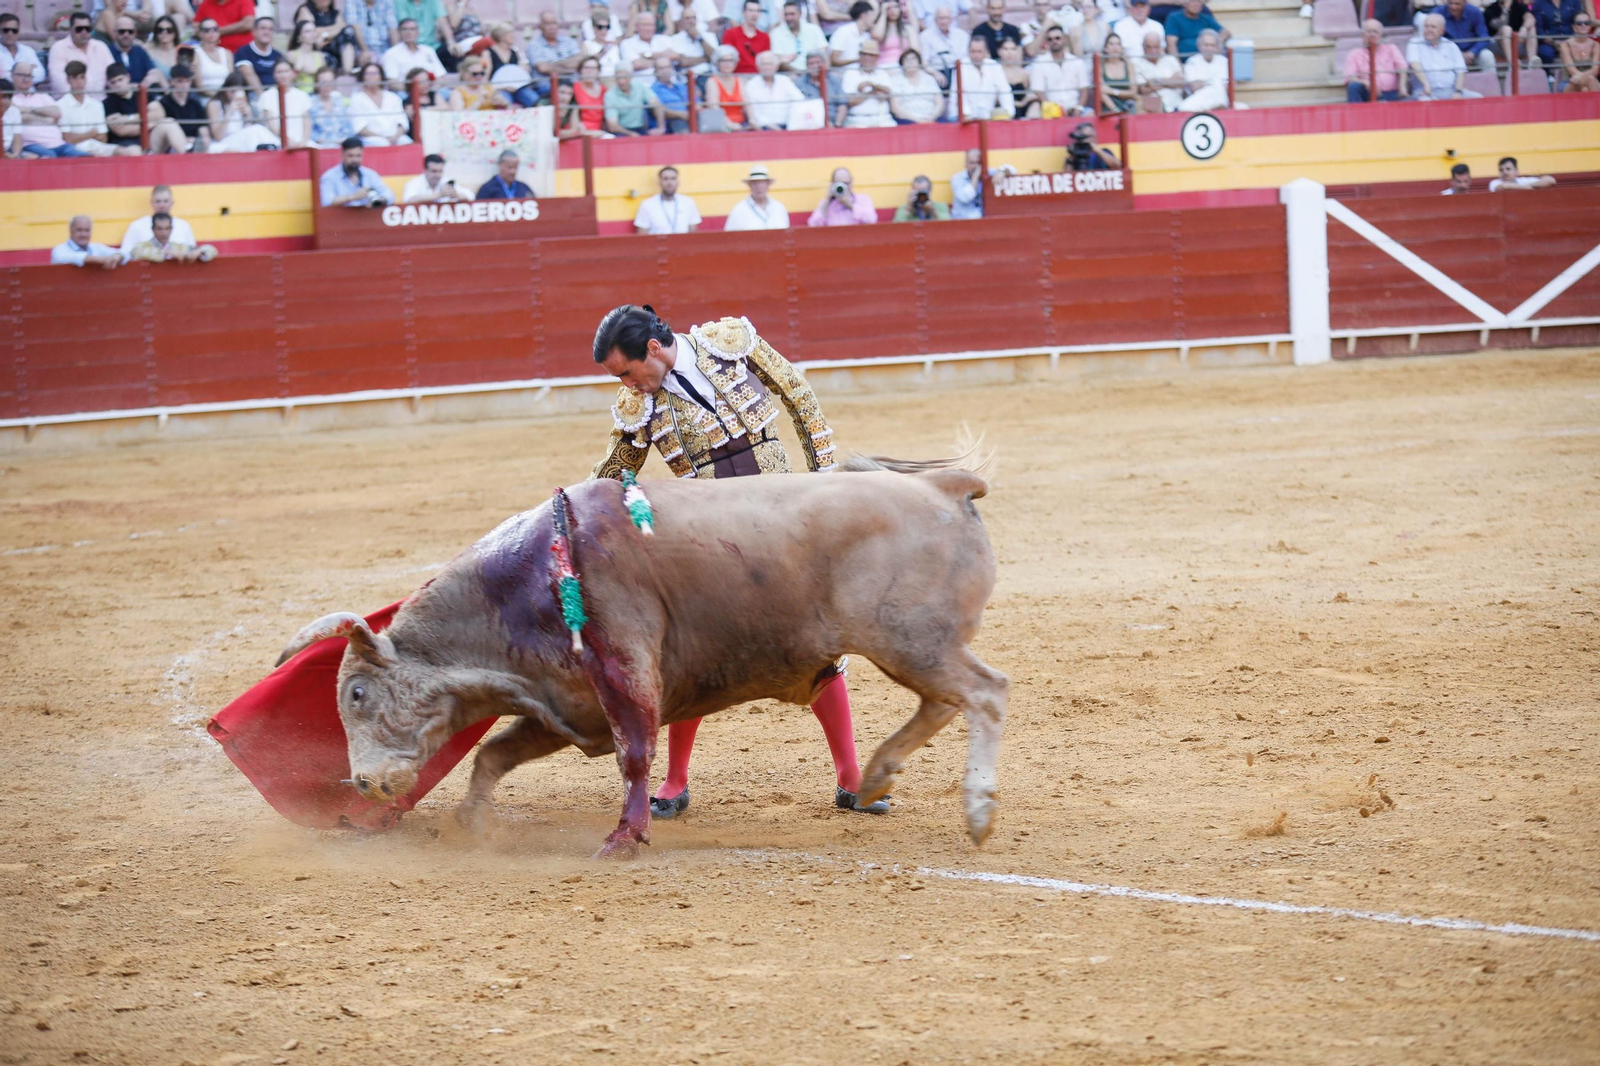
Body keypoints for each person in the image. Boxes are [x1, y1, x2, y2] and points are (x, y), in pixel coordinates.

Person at [587, 304, 888, 819]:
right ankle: (675, 781)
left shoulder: (729, 343)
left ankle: (851, 778)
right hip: (714, 542)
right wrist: (576, 516)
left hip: (783, 522)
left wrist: (823, 481)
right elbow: (614, 472)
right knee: (695, 656)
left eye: (628, 372)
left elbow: (799, 396)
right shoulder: (640, 406)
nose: (628, 385)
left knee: (816, 643)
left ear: (653, 349)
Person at [57, 59, 133, 157]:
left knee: (126, 152)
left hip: (97, 147)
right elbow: (67, 139)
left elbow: (103, 138)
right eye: (75, 78)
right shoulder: (60, 105)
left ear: (86, 78)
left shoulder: (96, 104)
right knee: (90, 155)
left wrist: (79, 136)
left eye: (82, 77)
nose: (79, 82)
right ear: (68, 80)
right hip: (74, 149)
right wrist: (91, 133)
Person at [12, 62, 86, 157]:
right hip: (30, 144)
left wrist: (30, 110)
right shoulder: (9, 98)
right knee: (50, 157)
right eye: (21, 75)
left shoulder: (42, 96)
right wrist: (47, 119)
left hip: (58, 144)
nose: (26, 79)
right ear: (12, 76)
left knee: (84, 157)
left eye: (29, 76)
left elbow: (57, 112)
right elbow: (20, 117)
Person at [206, 69, 282, 152]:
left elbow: (248, 132)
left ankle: (276, 146)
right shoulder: (214, 104)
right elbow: (218, 137)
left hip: (241, 141)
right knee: (256, 129)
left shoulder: (243, 103)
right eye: (232, 91)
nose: (232, 94)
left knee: (256, 130)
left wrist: (247, 116)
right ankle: (279, 146)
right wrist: (229, 112)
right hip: (224, 142)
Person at [1408, 13, 1477, 99]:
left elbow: (1461, 71)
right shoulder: (1415, 43)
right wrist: (1426, 85)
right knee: (1425, 101)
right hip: (1425, 91)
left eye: (1433, 27)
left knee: (1477, 98)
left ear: (1442, 31)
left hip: (1451, 90)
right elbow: (1414, 65)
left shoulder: (1451, 45)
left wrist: (1458, 91)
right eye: (1426, 26)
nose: (1429, 29)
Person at [48, 11, 114, 96]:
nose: (84, 32)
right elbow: (60, 83)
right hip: (70, 101)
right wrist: (84, 99)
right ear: (70, 29)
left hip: (101, 100)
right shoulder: (58, 48)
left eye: (87, 29)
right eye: (79, 29)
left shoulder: (101, 46)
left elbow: (113, 73)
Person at [1030, 24, 1090, 116]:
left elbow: (1084, 89)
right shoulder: (1039, 63)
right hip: (1050, 110)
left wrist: (1078, 108)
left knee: (1090, 114)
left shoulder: (1077, 62)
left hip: (1075, 107)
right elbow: (1039, 91)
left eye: (1057, 38)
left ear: (1064, 39)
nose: (1054, 41)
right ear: (1046, 42)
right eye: (1050, 39)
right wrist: (1053, 109)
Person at [1343, 18, 1409, 101]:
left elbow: (1402, 68)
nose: (1372, 35)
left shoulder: (1391, 48)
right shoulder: (1354, 54)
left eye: (1375, 32)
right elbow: (1350, 78)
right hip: (1368, 94)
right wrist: (1366, 82)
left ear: (1380, 35)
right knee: (1353, 87)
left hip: (1392, 93)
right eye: (1369, 31)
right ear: (1363, 35)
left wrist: (1402, 87)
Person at [949, 34, 1013, 118]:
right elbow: (958, 96)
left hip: (988, 117)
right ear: (968, 51)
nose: (976, 55)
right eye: (973, 51)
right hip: (962, 117)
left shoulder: (994, 66)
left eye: (979, 52)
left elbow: (1005, 91)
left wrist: (1009, 113)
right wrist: (967, 115)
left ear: (986, 52)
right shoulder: (960, 66)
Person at [148, 63, 208, 150]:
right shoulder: (163, 104)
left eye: (187, 81)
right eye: (180, 81)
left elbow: (203, 129)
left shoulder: (195, 104)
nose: (184, 85)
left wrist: (203, 140)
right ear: (172, 82)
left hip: (193, 144)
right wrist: (185, 141)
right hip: (169, 146)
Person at [320, 135, 393, 205]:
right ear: (342, 155)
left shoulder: (370, 174)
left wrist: (379, 201)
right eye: (350, 156)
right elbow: (326, 202)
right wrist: (353, 197)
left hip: (367, 213)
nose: (355, 160)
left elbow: (389, 195)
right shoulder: (329, 177)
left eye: (358, 156)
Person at [1428, 0, 1498, 73]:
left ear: (1464, 3)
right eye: (1450, 3)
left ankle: (1490, 80)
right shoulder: (1439, 12)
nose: (1453, 7)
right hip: (1449, 51)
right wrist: (1458, 53)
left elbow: (1484, 36)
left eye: (1457, 4)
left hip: (1473, 50)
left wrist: (1472, 52)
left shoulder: (1474, 12)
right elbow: (1435, 36)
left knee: (1487, 56)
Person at [349, 61, 409, 143]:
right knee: (381, 143)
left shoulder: (393, 97)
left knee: (406, 142)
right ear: (362, 77)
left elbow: (403, 122)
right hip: (371, 139)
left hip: (395, 137)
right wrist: (383, 138)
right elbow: (359, 127)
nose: (371, 77)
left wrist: (395, 137)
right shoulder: (357, 99)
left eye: (375, 73)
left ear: (381, 76)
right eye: (368, 74)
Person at [258, 59, 313, 148]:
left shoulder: (302, 95)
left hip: (301, 142)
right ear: (274, 75)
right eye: (279, 72)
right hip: (276, 142)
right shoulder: (267, 96)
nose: (283, 75)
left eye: (286, 71)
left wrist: (303, 142)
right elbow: (271, 124)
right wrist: (287, 141)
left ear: (292, 73)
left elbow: (306, 122)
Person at [744, 49, 806, 127]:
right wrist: (769, 126)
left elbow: (800, 100)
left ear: (777, 67)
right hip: (763, 127)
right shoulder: (751, 84)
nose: (767, 67)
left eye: (770, 64)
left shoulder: (785, 80)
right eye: (763, 64)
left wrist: (793, 122)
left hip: (789, 125)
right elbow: (752, 112)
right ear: (757, 67)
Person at [841, 38, 896, 126]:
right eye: (864, 54)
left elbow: (889, 94)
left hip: (883, 118)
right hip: (857, 119)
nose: (867, 58)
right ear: (860, 56)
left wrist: (871, 86)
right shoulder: (850, 73)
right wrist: (874, 91)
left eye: (871, 55)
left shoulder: (882, 73)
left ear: (877, 57)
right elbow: (851, 101)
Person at [527, 10, 579, 100]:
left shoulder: (568, 41)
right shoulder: (534, 45)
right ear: (540, 27)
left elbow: (579, 61)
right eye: (547, 24)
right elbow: (543, 68)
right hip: (547, 87)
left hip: (573, 84)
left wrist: (552, 66)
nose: (552, 27)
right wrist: (569, 67)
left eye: (554, 23)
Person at [634, 165, 702, 234]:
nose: (669, 183)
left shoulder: (688, 202)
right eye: (665, 179)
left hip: (683, 241)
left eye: (673, 178)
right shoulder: (647, 204)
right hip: (658, 241)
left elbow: (693, 231)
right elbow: (642, 233)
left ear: (678, 182)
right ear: (660, 182)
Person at [128, 211, 218, 262]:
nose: (164, 233)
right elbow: (135, 253)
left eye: (167, 228)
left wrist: (200, 252)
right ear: (153, 229)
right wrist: (166, 253)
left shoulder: (179, 247)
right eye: (159, 229)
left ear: (171, 229)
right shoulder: (142, 246)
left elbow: (212, 250)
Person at [724, 163, 791, 230]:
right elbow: (729, 234)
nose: (759, 187)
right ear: (749, 185)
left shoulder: (779, 208)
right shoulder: (739, 210)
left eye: (762, 183)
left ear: (768, 184)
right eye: (755, 183)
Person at [605, 63, 664, 135]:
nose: (621, 81)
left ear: (631, 77)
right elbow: (613, 126)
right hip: (622, 132)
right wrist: (630, 133)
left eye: (624, 77)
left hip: (641, 129)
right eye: (618, 78)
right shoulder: (610, 95)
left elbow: (656, 103)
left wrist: (661, 128)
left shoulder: (639, 85)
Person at [1178, 27, 1229, 109]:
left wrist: (1205, 83)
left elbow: (1226, 86)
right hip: (1200, 98)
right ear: (1199, 46)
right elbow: (1194, 87)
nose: (1209, 48)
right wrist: (1214, 82)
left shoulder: (1224, 61)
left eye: (1212, 45)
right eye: (1206, 45)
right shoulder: (1192, 62)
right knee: (1184, 107)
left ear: (1217, 47)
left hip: (1219, 96)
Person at [1134, 27, 1183, 110]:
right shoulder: (1136, 64)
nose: (1153, 51)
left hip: (1177, 104)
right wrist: (1170, 81)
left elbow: (1181, 82)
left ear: (1161, 46)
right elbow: (1144, 90)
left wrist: (1156, 81)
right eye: (1149, 47)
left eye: (1156, 47)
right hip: (1153, 107)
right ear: (1143, 47)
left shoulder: (1170, 59)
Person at [808, 166, 877, 225]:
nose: (842, 187)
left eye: (845, 183)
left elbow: (871, 220)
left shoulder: (863, 200)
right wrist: (827, 200)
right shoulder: (825, 203)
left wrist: (849, 205)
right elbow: (813, 224)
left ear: (851, 183)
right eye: (839, 183)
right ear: (833, 184)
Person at [771, 0, 828, 69]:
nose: (789, 18)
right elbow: (779, 61)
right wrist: (801, 73)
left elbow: (824, 54)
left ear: (800, 14)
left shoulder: (814, 29)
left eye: (792, 14)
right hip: (789, 73)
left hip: (815, 71)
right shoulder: (776, 33)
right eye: (786, 14)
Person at [891, 48, 944, 121]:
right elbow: (895, 107)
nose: (910, 62)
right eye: (906, 59)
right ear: (902, 64)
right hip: (907, 120)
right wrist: (917, 120)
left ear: (919, 62)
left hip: (932, 118)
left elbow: (940, 103)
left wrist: (932, 117)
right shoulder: (896, 80)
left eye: (913, 59)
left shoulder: (929, 79)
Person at [921, 5, 969, 86]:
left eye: (946, 18)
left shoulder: (962, 35)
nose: (944, 21)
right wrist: (935, 73)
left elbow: (965, 58)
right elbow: (924, 62)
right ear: (935, 20)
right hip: (936, 71)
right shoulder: (925, 36)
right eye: (941, 18)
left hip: (958, 70)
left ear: (952, 19)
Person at [307, 65, 355, 145]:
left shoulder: (339, 101)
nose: (327, 85)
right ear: (317, 83)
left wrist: (344, 141)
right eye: (323, 82)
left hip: (341, 144)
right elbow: (309, 131)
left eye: (330, 81)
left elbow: (348, 127)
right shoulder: (310, 102)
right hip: (319, 145)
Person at [107, 16, 160, 87]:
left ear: (135, 33)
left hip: (140, 92)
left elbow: (152, 71)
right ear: (115, 32)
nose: (126, 35)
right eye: (121, 31)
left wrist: (143, 84)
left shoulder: (139, 51)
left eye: (130, 32)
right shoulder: (107, 52)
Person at [666, 10, 720, 78]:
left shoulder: (709, 35)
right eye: (687, 18)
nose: (691, 21)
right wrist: (707, 59)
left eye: (693, 18)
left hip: (708, 75)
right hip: (686, 77)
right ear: (681, 21)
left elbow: (716, 57)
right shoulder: (674, 39)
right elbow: (683, 62)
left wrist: (699, 38)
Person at [234, 16, 284, 89]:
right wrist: (263, 95)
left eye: (270, 29)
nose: (267, 32)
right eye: (263, 28)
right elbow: (249, 76)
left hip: (276, 92)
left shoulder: (277, 55)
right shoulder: (244, 52)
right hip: (254, 93)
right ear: (254, 31)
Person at [52, 216, 120, 268]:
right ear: (71, 231)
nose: (83, 234)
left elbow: (122, 253)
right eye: (79, 230)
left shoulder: (97, 247)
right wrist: (98, 259)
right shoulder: (60, 249)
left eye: (87, 230)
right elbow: (72, 258)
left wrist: (116, 257)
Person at [723, 0, 772, 71]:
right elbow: (726, 58)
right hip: (737, 75)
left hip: (758, 75)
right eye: (751, 10)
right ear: (744, 12)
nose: (754, 14)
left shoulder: (765, 37)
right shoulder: (730, 34)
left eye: (757, 11)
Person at [705, 44, 746, 128]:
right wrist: (730, 124)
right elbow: (714, 107)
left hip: (742, 124)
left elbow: (747, 104)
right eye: (723, 61)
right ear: (717, 63)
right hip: (721, 126)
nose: (727, 64)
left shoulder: (740, 80)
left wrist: (753, 120)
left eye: (731, 61)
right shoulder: (712, 81)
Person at [190, 18, 236, 91]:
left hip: (227, 95)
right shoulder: (195, 52)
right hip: (205, 95)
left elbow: (232, 81)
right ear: (200, 33)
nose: (211, 32)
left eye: (215, 29)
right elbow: (199, 86)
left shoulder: (227, 53)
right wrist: (216, 96)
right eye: (206, 30)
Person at [649, 54, 691, 132]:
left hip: (691, 119)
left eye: (668, 67)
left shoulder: (682, 87)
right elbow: (660, 110)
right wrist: (681, 114)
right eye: (661, 68)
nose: (666, 70)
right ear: (655, 71)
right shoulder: (652, 90)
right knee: (679, 123)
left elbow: (697, 102)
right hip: (673, 123)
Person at [405, 151, 471, 201]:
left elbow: (470, 195)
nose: (438, 175)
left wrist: (457, 195)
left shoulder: (446, 181)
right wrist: (439, 195)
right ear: (425, 170)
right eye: (434, 171)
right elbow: (409, 200)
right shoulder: (415, 182)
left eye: (440, 171)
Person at [829, 0, 877, 69]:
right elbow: (834, 60)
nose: (874, 19)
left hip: (862, 73)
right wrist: (858, 60)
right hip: (843, 72)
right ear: (864, 16)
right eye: (872, 15)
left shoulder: (867, 36)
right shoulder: (843, 32)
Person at [1112, 0, 1162, 65]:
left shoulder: (1157, 26)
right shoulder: (1120, 25)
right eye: (1136, 7)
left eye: (1142, 7)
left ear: (1148, 9)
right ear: (1131, 9)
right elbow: (1119, 52)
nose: (1139, 10)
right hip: (1129, 64)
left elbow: (1161, 50)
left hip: (1153, 64)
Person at [997, 37, 1036, 116]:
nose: (1009, 53)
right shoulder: (995, 72)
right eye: (1005, 49)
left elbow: (1031, 94)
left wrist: (1025, 101)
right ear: (999, 51)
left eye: (1013, 49)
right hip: (1002, 110)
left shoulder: (1024, 73)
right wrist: (1020, 103)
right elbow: (995, 99)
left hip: (1023, 110)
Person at [1559, 13, 1598, 90]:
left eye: (1587, 23)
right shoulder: (1565, 45)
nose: (1583, 25)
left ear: (1590, 26)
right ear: (1574, 27)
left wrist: (1581, 77)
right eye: (1579, 23)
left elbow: (1595, 70)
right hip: (1569, 81)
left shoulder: (1596, 45)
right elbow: (1571, 70)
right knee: (1590, 79)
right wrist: (1585, 77)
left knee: (1585, 89)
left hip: (1589, 82)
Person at [875, 0, 921, 65]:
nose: (892, 10)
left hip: (904, 66)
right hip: (883, 65)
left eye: (895, 7)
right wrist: (883, 14)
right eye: (888, 8)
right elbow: (877, 36)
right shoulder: (879, 28)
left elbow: (915, 51)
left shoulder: (908, 29)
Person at [0, 13, 42, 82]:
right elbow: (2, 78)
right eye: (6, 30)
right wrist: (27, 73)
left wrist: (11, 74)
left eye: (14, 30)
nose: (10, 34)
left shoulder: (28, 51)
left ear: (18, 31)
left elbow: (40, 75)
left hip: (30, 89)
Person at [572, 54, 607, 130]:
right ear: (580, 70)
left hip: (600, 131)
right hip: (579, 130)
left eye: (593, 68)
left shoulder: (604, 89)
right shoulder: (574, 88)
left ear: (598, 72)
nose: (589, 71)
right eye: (586, 68)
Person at [1488, 156, 1555, 190]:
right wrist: (1527, 188)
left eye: (1508, 169)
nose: (1504, 172)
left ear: (1516, 171)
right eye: (1501, 170)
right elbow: (1505, 186)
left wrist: (1527, 186)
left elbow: (1550, 180)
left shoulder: (1523, 181)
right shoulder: (1495, 183)